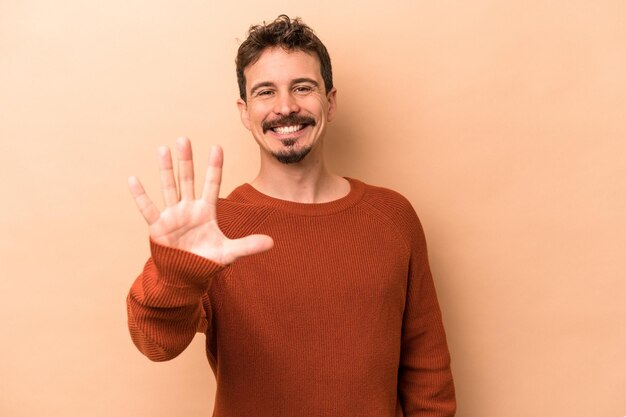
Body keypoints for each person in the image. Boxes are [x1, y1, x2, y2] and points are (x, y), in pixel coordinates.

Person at [126, 14, 456, 417]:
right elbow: (154, 344)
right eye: (266, 92)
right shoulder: (214, 230)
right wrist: (176, 275)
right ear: (245, 112)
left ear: (330, 102)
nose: (286, 107)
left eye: (303, 87)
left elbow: (429, 380)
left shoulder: (392, 217)